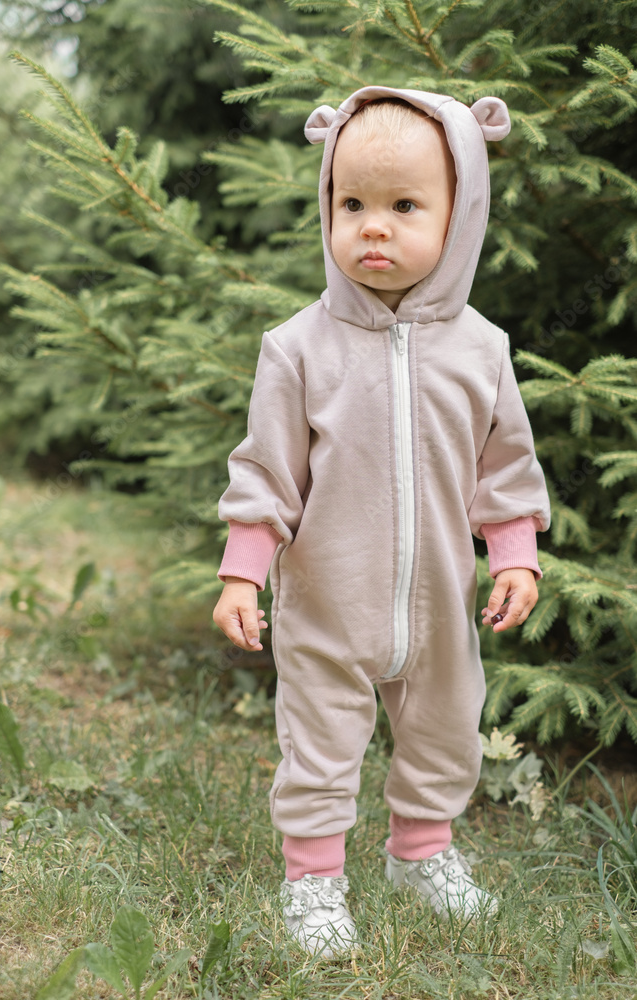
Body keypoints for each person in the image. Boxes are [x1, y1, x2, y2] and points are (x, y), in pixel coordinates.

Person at [212, 86, 551, 958]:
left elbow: (504, 464)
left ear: (459, 214)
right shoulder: (299, 347)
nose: (373, 227)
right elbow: (266, 469)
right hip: (329, 602)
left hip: (441, 602)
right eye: (351, 203)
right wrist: (243, 567)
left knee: (445, 729)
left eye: (404, 206)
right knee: (320, 743)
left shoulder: (480, 349)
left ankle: (420, 854)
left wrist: (513, 553)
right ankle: (314, 877)